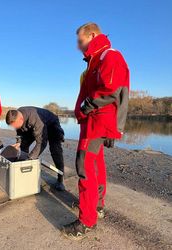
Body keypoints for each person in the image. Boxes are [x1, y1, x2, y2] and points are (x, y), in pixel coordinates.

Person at [62, 23, 130, 238]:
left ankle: (86, 221)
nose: (78, 47)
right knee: (95, 163)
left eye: (80, 41)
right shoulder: (95, 60)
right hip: (92, 121)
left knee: (84, 166)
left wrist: (86, 107)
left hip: (97, 121)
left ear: (92, 36)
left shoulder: (108, 55)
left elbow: (113, 89)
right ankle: (97, 206)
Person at [6, 107, 65, 191]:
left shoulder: (35, 118)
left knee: (55, 150)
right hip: (32, 127)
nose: (14, 128)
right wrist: (18, 142)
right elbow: (19, 132)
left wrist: (31, 158)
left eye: (15, 126)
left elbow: (41, 143)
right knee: (23, 145)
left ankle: (61, 179)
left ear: (21, 119)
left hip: (51, 125)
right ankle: (23, 171)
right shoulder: (16, 115)